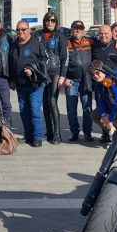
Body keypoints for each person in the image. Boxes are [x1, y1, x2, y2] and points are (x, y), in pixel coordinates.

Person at [11, 20, 49, 148]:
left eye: (23, 29)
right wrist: (12, 80)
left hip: (35, 85)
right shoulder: (14, 44)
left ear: (29, 30)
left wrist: (32, 70)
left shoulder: (37, 44)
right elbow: (11, 62)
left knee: (34, 110)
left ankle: (37, 137)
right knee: (23, 111)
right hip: (20, 85)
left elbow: (45, 61)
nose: (21, 32)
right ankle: (28, 135)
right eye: (18, 30)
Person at [36, 11, 68, 145]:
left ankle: (57, 134)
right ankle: (48, 132)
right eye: (48, 20)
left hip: (55, 72)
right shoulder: (37, 35)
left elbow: (64, 57)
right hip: (42, 73)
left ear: (56, 22)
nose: (50, 23)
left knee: (52, 101)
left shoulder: (60, 36)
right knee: (45, 103)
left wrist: (62, 76)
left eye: (53, 20)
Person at [65, 21, 94, 143]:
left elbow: (105, 42)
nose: (77, 31)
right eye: (75, 29)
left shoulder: (90, 42)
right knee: (71, 109)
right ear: (71, 30)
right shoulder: (66, 43)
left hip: (86, 80)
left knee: (87, 108)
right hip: (72, 80)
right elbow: (62, 61)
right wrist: (64, 77)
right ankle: (74, 132)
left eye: (80, 29)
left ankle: (87, 133)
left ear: (83, 31)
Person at [90, 60, 117, 145]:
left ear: (104, 71)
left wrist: (110, 120)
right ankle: (115, 136)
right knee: (95, 115)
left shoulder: (114, 81)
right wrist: (103, 115)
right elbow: (100, 102)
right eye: (93, 74)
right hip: (111, 108)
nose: (95, 76)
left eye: (97, 73)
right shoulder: (98, 84)